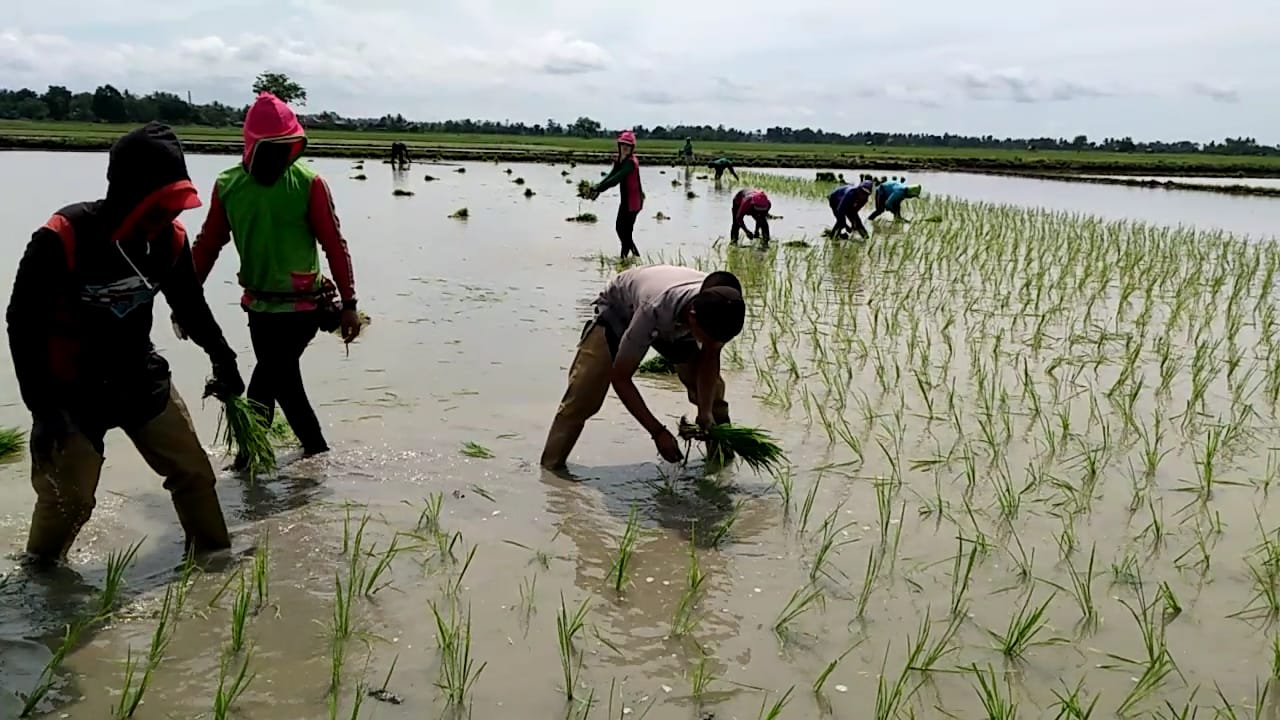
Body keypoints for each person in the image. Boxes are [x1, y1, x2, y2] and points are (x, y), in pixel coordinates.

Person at [6, 122, 244, 564]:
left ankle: (215, 563)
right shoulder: (63, 236)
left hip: (138, 376)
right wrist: (44, 408)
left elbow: (191, 306)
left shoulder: (169, 241)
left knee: (194, 474)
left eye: (173, 205)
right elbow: (21, 325)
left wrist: (223, 359)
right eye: (157, 205)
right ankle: (39, 585)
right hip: (69, 390)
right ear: (125, 192)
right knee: (70, 501)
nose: (164, 218)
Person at [190, 92, 361, 464]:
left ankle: (248, 459)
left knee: (270, 376)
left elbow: (334, 243)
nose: (277, 157)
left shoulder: (309, 184)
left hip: (303, 307)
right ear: (252, 149)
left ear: (293, 147)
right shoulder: (228, 185)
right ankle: (315, 457)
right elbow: (207, 245)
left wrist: (349, 305)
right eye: (270, 149)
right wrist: (184, 300)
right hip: (258, 307)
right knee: (284, 380)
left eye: (283, 148)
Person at [540, 266, 745, 471]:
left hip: (676, 321)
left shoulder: (721, 308)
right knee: (583, 395)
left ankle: (721, 464)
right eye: (708, 340)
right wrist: (657, 432)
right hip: (620, 312)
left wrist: (705, 411)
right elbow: (621, 378)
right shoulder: (653, 308)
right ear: (692, 318)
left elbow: (710, 357)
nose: (712, 346)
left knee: (713, 395)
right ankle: (551, 472)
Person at [589, 131, 645, 260]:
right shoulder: (620, 160)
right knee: (622, 230)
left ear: (632, 148)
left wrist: (599, 188)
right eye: (623, 145)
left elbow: (616, 179)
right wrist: (596, 187)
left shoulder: (630, 163)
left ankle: (626, 259)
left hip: (634, 202)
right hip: (626, 201)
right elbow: (611, 175)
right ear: (619, 146)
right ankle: (633, 258)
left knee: (624, 231)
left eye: (628, 146)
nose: (625, 148)